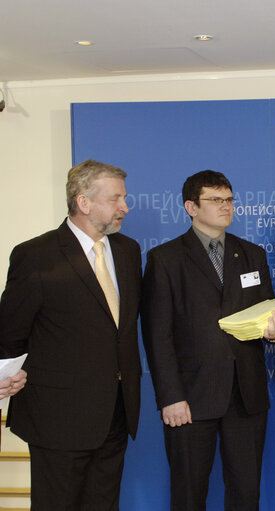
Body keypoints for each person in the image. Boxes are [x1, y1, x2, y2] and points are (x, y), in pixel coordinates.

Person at [141, 170, 275, 511]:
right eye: (215, 200)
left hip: (246, 395)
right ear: (191, 207)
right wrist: (171, 397)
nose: (225, 207)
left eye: (229, 200)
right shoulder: (165, 259)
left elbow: (267, 314)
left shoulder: (252, 254)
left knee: (246, 494)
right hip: (190, 399)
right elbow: (157, 334)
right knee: (188, 494)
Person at [0, 159, 142, 510]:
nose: (125, 206)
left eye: (124, 197)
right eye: (115, 199)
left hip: (115, 415)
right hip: (57, 420)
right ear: (83, 202)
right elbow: (9, 333)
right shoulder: (35, 255)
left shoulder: (127, 251)